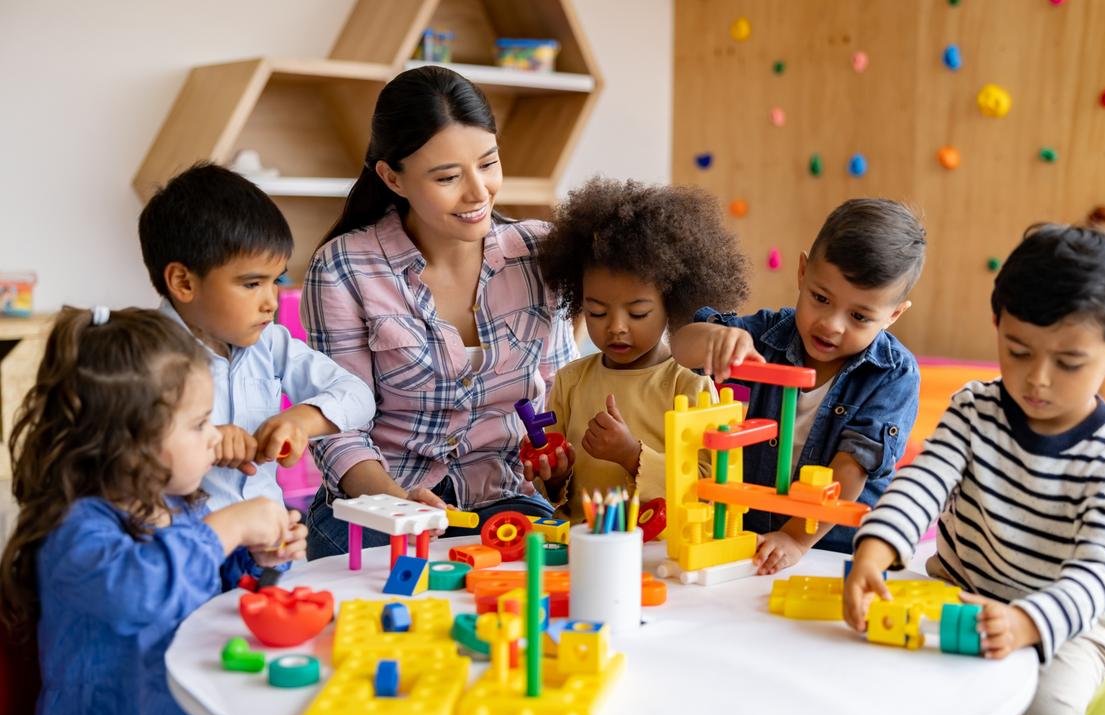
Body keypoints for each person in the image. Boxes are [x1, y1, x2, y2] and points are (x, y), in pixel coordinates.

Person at [844, 224, 1105, 715]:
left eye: (1069, 362)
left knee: (1046, 709)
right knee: (877, 680)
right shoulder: (974, 410)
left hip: (1065, 623)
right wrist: (875, 551)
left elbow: (1101, 572)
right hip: (956, 590)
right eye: (1019, 351)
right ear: (997, 324)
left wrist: (1028, 622)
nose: (1038, 379)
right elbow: (922, 484)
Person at [302, 66, 577, 559]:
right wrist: (396, 501)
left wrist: (557, 461)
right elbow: (338, 427)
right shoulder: (344, 265)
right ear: (392, 178)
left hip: (504, 498)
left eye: (488, 163)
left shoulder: (540, 252)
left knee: (546, 593)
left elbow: (565, 392)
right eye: (448, 177)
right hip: (381, 503)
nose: (478, 193)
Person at [0, 306, 306, 715]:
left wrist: (258, 561)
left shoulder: (181, 509)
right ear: (130, 442)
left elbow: (212, 595)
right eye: (199, 424)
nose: (215, 436)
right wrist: (225, 529)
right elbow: (139, 593)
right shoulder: (75, 529)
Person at [671, 198, 926, 572]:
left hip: (832, 545)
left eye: (859, 316)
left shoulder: (893, 374)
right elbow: (680, 349)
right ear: (803, 272)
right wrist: (715, 340)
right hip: (750, 531)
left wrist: (795, 537)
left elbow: (851, 468)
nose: (831, 324)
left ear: (893, 315)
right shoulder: (769, 334)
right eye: (821, 298)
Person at [138, 163, 376, 509]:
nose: (271, 301)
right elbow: (120, 456)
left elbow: (358, 396)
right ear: (184, 283)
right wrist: (204, 441)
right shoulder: (140, 355)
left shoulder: (270, 343)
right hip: (186, 550)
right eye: (252, 284)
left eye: (275, 281)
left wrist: (298, 421)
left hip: (267, 543)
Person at [529, 177, 749, 521]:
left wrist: (632, 455)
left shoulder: (690, 387)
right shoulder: (570, 381)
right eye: (597, 312)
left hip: (660, 552)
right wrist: (554, 474)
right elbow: (556, 491)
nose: (616, 326)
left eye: (638, 313)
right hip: (581, 545)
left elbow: (708, 486)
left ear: (672, 304)